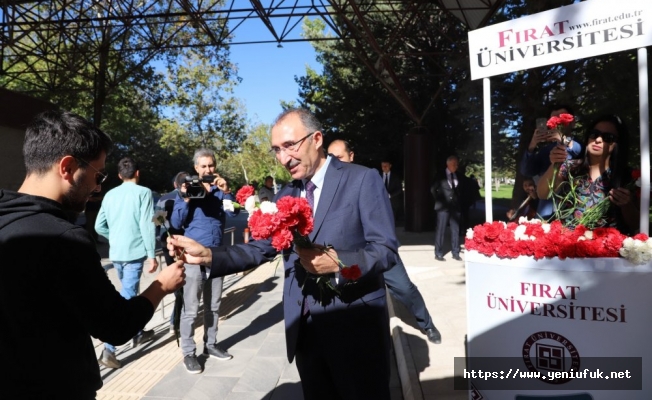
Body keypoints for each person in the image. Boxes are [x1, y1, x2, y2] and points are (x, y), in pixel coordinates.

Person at [169, 109, 399, 399]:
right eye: (276, 149)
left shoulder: (363, 180)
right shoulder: (286, 192)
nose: (282, 157)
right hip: (305, 331)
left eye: (290, 146)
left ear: (316, 139)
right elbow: (261, 247)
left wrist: (338, 262)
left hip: (354, 328)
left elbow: (386, 249)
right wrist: (208, 256)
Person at [0, 110, 185, 399]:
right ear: (68, 167)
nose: (98, 187)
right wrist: (162, 285)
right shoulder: (63, 239)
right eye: (97, 175)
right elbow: (115, 325)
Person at [328, 139, 441, 344]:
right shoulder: (327, 188)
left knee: (405, 289)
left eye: (339, 158)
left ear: (351, 156)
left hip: (379, 251)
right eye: (330, 158)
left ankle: (427, 324)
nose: (335, 163)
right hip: (351, 255)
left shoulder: (367, 178)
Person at [170, 149, 239, 374]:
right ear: (196, 169)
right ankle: (189, 354)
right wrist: (187, 197)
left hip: (216, 256)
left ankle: (210, 345)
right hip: (192, 259)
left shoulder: (220, 191)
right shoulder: (188, 190)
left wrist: (227, 192)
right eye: (203, 166)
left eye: (211, 166)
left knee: (214, 306)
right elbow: (176, 222)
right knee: (190, 310)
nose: (208, 170)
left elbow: (235, 214)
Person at [94, 157, 159, 368]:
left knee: (130, 291)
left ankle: (138, 333)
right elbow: (147, 225)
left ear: (119, 175)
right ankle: (109, 350)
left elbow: (98, 226)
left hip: (117, 252)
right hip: (134, 252)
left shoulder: (110, 195)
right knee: (128, 296)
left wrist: (113, 236)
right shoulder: (143, 193)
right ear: (137, 173)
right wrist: (151, 254)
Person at [537, 114, 638, 234]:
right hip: (567, 244)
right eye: (594, 134)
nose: (598, 140)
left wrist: (627, 204)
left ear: (617, 144)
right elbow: (543, 194)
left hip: (604, 248)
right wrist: (555, 164)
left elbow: (636, 224)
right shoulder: (571, 167)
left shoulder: (627, 177)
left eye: (608, 137)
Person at [520, 104, 583, 220]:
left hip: (571, 208)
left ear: (573, 123)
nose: (557, 122)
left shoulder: (580, 145)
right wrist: (532, 145)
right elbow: (527, 171)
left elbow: (577, 152)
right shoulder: (545, 150)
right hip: (545, 209)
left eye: (561, 118)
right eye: (554, 118)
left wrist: (563, 140)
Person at [155, 171, 189, 334]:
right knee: (185, 280)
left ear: (174, 184)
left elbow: (157, 221)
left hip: (166, 240)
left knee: (176, 278)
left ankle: (175, 320)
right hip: (184, 241)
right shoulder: (190, 196)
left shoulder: (163, 198)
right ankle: (177, 320)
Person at [431, 155, 469, 262]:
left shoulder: (458, 176)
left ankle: (455, 252)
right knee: (441, 230)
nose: (456, 166)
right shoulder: (440, 175)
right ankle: (438, 253)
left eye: (456, 164)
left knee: (455, 230)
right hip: (443, 207)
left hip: (455, 207)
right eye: (453, 164)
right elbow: (433, 189)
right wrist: (439, 200)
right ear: (448, 164)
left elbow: (461, 190)